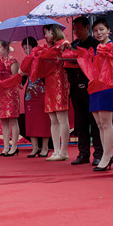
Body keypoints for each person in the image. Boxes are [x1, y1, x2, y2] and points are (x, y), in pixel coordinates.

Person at [65, 16, 103, 165]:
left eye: (79, 29)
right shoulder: (73, 45)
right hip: (76, 88)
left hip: (91, 88)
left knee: (94, 122)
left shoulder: (95, 44)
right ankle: (83, 154)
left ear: (87, 27)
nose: (76, 32)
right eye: (74, 29)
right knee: (80, 123)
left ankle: (99, 154)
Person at [89, 19, 113, 171]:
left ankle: (106, 157)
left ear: (108, 30)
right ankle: (108, 155)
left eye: (101, 29)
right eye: (95, 31)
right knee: (99, 124)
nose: (98, 33)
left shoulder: (112, 46)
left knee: (106, 123)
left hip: (107, 86)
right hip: (95, 87)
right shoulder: (97, 48)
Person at [43, 24, 71, 161]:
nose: (46, 35)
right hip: (50, 83)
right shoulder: (49, 48)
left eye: (47, 32)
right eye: (45, 33)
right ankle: (56, 150)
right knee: (53, 119)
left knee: (61, 118)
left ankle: (64, 151)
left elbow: (70, 62)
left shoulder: (64, 44)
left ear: (55, 31)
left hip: (60, 82)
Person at [20, 37, 51, 157]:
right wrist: (20, 81)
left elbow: (45, 73)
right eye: (24, 48)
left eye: (27, 47)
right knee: (30, 121)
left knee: (43, 120)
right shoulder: (26, 60)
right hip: (30, 95)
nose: (26, 50)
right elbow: (22, 78)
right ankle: (35, 147)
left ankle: (45, 147)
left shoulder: (41, 58)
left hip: (41, 92)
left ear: (34, 47)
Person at [0, 40, 20, 156]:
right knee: (4, 121)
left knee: (13, 120)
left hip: (11, 92)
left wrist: (4, 75)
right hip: (1, 93)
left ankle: (14, 146)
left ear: (5, 48)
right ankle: (5, 147)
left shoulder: (13, 60)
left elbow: (15, 78)